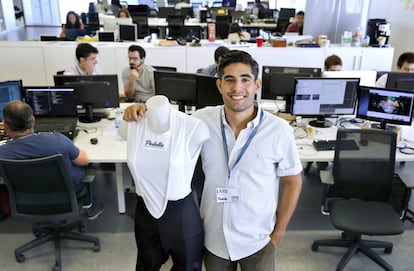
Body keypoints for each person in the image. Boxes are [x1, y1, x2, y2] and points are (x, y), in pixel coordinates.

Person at [123, 50, 303, 271]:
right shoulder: (200, 121)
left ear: (257, 85)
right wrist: (143, 110)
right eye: (229, 80)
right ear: (219, 86)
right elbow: (166, 123)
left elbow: (293, 181)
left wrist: (278, 233)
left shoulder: (279, 131)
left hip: (258, 239)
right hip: (214, 238)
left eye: (245, 80)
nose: (237, 88)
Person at [125, 95, 209, 271]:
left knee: (187, 267)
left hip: (181, 217)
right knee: (145, 266)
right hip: (145, 214)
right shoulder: (132, 123)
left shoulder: (193, 127)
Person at [0, 101, 103, 220]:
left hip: (27, 199)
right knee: (89, 167)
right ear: (33, 120)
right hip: (68, 194)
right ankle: (92, 210)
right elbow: (84, 161)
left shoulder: (2, 153)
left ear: (5, 125)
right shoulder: (58, 141)